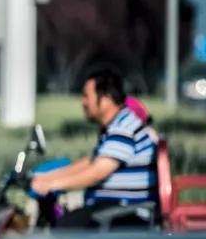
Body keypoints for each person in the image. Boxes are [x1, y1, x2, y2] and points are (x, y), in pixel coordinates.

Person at [30, 69, 158, 229]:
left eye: (86, 96)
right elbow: (92, 162)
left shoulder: (123, 129)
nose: (83, 102)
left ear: (106, 99)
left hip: (124, 213)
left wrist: (52, 184)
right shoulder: (117, 125)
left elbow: (98, 171)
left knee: (63, 229)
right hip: (113, 208)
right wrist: (45, 177)